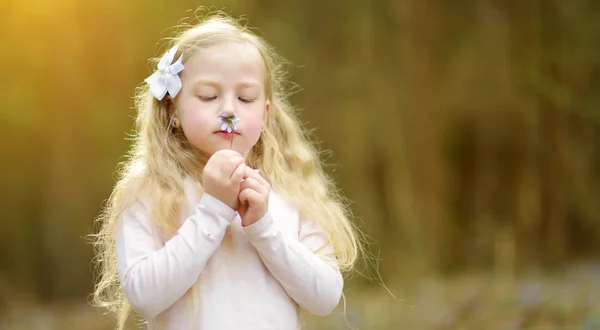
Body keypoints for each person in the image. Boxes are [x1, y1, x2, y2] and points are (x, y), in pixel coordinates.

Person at [91, 11, 361, 330]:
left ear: (265, 114)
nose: (229, 110)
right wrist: (214, 209)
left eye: (245, 97)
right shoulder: (150, 190)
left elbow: (325, 297)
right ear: (172, 109)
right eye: (209, 96)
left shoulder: (290, 190)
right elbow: (143, 296)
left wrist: (263, 227)